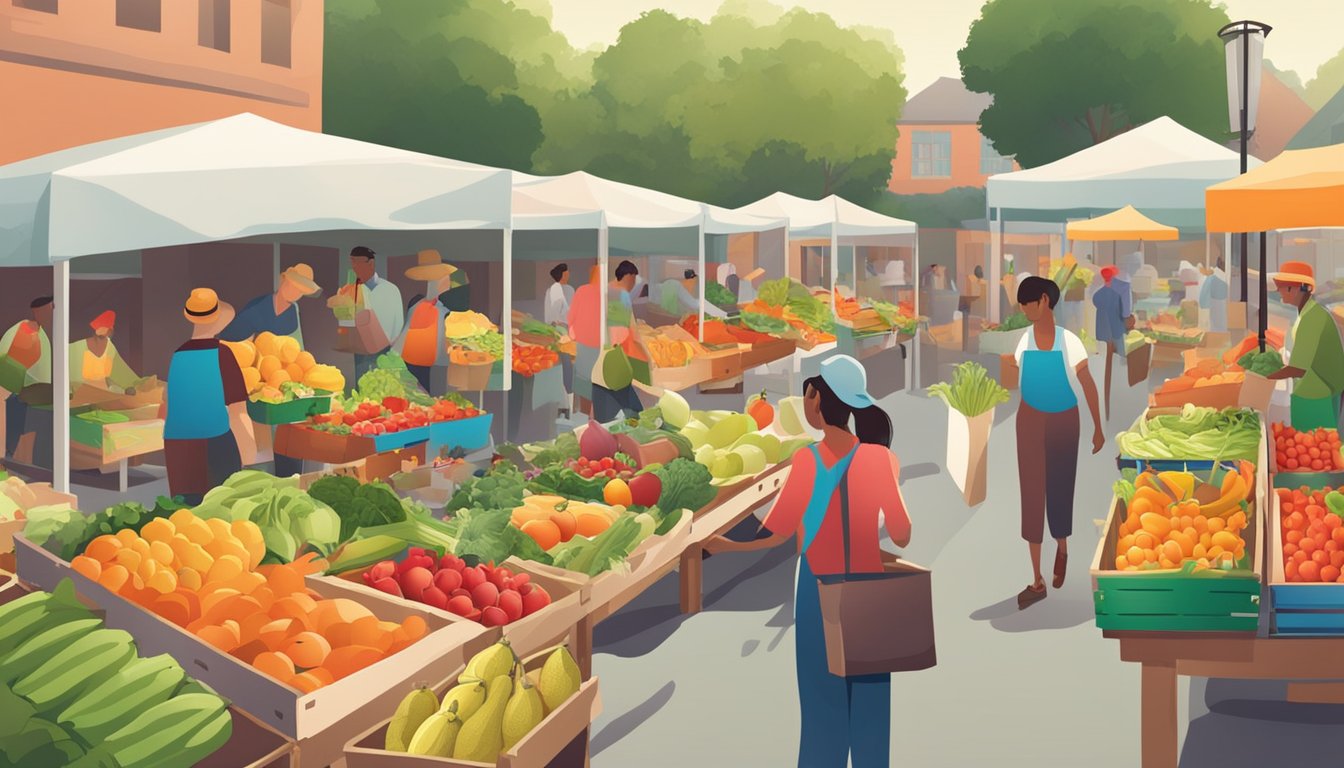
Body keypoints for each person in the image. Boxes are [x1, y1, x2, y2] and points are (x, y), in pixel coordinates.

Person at [704, 355, 910, 768]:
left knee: (822, 709)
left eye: (807, 394)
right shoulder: (881, 460)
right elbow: (903, 534)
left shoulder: (807, 461)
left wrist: (724, 545)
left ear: (817, 400)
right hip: (871, 592)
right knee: (871, 707)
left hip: (820, 594)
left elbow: (776, 535)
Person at [1001, 277, 1104, 609]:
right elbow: (1018, 376)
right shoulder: (1024, 341)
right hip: (1029, 421)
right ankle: (1036, 580)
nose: (1023, 309)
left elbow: (1087, 383)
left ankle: (1062, 547)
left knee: (1060, 488)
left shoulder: (1068, 341)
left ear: (1043, 301)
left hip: (1063, 421)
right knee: (1031, 495)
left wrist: (1098, 427)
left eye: (1026, 303)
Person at [162, 289, 256, 505]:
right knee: (221, 510)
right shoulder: (222, 354)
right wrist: (248, 454)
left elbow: (173, 403)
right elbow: (237, 412)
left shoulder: (178, 355)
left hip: (177, 448)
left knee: (185, 514)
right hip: (212, 444)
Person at [1266, 261, 1344, 430]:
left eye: (1284, 286)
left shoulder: (1313, 318)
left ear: (1300, 288)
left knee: (1316, 447)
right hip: (1311, 387)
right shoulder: (1306, 312)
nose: (1278, 290)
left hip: (1319, 392)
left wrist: (1265, 377)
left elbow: (1298, 368)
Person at [396, 249, 459, 395]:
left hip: (432, 363)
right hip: (415, 362)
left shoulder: (442, 308)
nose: (448, 282)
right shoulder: (418, 304)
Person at [338, 246, 405, 381]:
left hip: (386, 349)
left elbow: (398, 322)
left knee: (383, 386)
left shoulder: (390, 290)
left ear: (371, 263)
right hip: (360, 349)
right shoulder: (350, 291)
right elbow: (344, 321)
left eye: (358, 262)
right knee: (362, 385)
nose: (355, 267)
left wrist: (394, 350)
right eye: (352, 262)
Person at [0, 297, 53, 463]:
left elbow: (40, 372)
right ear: (37, 311)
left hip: (21, 386)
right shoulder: (22, 329)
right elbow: (5, 357)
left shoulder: (42, 336)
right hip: (7, 383)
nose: (50, 314)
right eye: (47, 309)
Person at [592, 261, 646, 422]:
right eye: (633, 279)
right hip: (615, 353)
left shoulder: (604, 290)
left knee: (603, 400)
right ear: (628, 276)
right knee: (633, 408)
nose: (634, 283)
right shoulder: (622, 295)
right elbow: (631, 331)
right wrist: (645, 356)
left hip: (598, 352)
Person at [220, 263, 321, 346]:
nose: (295, 293)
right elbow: (230, 339)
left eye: (300, 291)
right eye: (293, 286)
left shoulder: (293, 312)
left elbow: (297, 346)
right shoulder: (257, 307)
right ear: (284, 280)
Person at [69, 311, 139, 392]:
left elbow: (120, 371)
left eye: (105, 326)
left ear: (110, 330)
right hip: (83, 393)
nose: (101, 329)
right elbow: (69, 376)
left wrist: (132, 385)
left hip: (104, 393)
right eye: (99, 326)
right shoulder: (77, 348)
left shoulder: (110, 348)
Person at [1092, 266, 1127, 421]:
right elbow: (1122, 313)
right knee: (1119, 363)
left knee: (1104, 366)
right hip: (1116, 332)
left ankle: (1106, 396)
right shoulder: (1117, 295)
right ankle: (1117, 396)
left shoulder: (1097, 295)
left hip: (1102, 333)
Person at [659, 268, 728, 319]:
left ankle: (723, 315)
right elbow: (694, 303)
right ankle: (723, 315)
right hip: (686, 308)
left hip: (684, 307)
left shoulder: (676, 283)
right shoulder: (675, 284)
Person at [1198, 260, 1229, 333]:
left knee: (1217, 325)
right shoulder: (1215, 277)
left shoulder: (1214, 277)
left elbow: (1203, 296)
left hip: (1217, 304)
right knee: (1218, 325)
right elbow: (1204, 295)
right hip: (1218, 304)